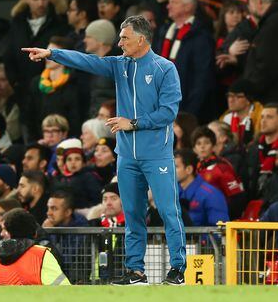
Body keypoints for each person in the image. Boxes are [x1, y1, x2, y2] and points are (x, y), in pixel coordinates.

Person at [22, 14, 187, 285]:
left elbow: (168, 113)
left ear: (141, 39)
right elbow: (87, 61)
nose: (119, 42)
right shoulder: (119, 65)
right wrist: (52, 54)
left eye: (124, 37)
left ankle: (178, 269)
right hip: (126, 156)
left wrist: (131, 123)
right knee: (132, 214)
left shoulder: (164, 69)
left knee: (170, 212)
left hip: (157, 154)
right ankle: (136, 271)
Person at [156, 0, 215, 122]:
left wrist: (188, 113)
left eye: (174, 3)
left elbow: (202, 79)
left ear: (188, 7)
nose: (168, 6)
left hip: (186, 109)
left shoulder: (200, 36)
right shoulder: (165, 31)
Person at [0, 208, 70, 285]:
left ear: (9, 233)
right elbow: (62, 287)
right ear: (35, 233)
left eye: (4, 229)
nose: (1, 234)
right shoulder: (41, 255)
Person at [192, 126, 246, 220]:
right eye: (198, 143)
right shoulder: (194, 169)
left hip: (220, 221)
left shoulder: (222, 167)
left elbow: (236, 197)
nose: (202, 147)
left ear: (213, 146)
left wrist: (226, 220)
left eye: (207, 143)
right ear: (194, 149)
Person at [175, 149, 230, 226]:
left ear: (189, 169)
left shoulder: (212, 195)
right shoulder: (173, 193)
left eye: (175, 166)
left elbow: (219, 231)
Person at [243, 0, 278, 104]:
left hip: (270, 98)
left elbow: (266, 62)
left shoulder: (271, 24)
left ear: (259, 0)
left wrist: (251, 89)